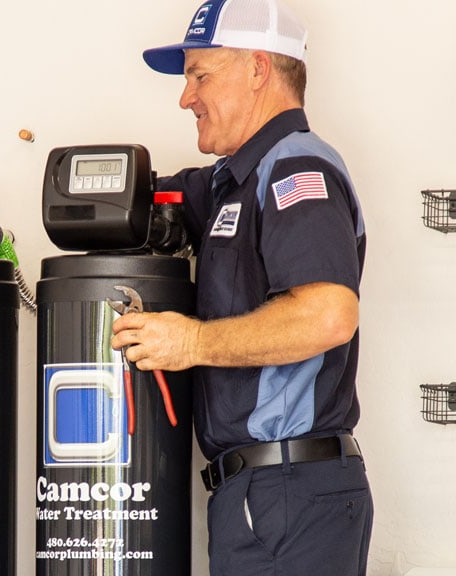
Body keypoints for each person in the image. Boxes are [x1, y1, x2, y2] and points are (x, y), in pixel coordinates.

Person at [110, 1, 373, 575]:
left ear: (258, 69)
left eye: (200, 75)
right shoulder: (233, 183)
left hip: (291, 493)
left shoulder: (297, 170)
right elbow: (138, 201)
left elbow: (328, 314)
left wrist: (192, 344)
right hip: (258, 495)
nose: (186, 97)